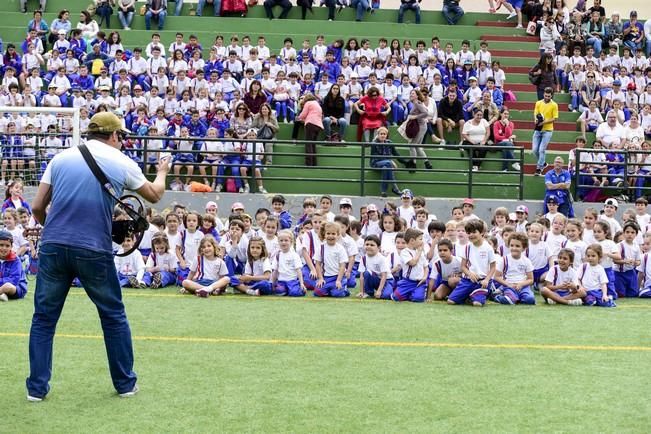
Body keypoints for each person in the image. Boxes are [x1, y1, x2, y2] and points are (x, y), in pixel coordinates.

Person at [26, 112, 170, 401]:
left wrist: (55, 229)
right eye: (123, 137)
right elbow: (155, 195)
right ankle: (125, 384)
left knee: (43, 318)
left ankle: (37, 390)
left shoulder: (61, 158)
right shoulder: (121, 162)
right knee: (113, 315)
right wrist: (163, 170)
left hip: (54, 246)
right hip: (93, 247)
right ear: (115, 136)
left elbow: (38, 207)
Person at [400, 89, 431, 170]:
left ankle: (413, 164)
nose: (411, 95)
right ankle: (427, 163)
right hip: (421, 126)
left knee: (411, 145)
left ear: (417, 96)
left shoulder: (417, 103)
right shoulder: (415, 103)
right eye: (410, 94)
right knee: (417, 146)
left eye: (413, 94)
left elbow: (425, 113)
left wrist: (415, 117)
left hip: (420, 127)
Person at [532, 87, 558, 176]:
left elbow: (554, 118)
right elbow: (535, 113)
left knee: (541, 150)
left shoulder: (554, 105)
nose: (547, 97)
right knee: (534, 150)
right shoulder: (538, 103)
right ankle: (543, 163)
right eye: (546, 96)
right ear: (543, 94)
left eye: (549, 96)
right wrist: (535, 119)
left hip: (548, 130)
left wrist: (543, 122)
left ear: (551, 96)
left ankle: (539, 168)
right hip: (538, 129)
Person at [0, 230, 28, 302]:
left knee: (7, 286)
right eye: (1, 245)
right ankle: (2, 295)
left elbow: (14, 279)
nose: (4, 248)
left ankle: (3, 292)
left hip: (16, 287)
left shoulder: (16, 260)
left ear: (11, 246)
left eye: (7, 246)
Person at [297, 93, 323, 167]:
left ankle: (308, 164)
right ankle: (314, 163)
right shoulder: (317, 104)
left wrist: (298, 118)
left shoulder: (308, 103)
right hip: (318, 125)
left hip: (310, 124)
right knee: (313, 144)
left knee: (308, 144)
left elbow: (303, 114)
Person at [461, 107, 490, 172]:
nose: (479, 117)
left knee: (484, 148)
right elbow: (464, 134)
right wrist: (472, 141)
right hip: (470, 141)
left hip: (481, 142)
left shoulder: (484, 121)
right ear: (474, 115)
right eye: (478, 115)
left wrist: (484, 140)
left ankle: (476, 166)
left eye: (481, 115)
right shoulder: (468, 123)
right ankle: (474, 166)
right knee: (471, 147)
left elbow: (488, 132)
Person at [492, 107, 520, 172]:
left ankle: (504, 169)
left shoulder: (511, 124)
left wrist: (507, 125)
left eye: (507, 114)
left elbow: (509, 134)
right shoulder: (496, 123)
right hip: (498, 144)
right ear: (501, 114)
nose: (506, 115)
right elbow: (496, 137)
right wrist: (507, 138)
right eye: (504, 114)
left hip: (507, 144)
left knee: (506, 147)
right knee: (507, 143)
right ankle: (514, 162)